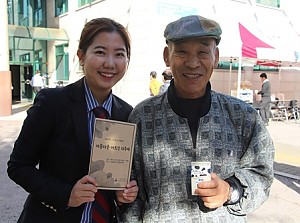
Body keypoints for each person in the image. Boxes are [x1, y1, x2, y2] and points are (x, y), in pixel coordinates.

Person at [122, 15, 274, 222]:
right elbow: (130, 196)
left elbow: (262, 174)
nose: (193, 63)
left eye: (203, 52)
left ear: (216, 56)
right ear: (167, 56)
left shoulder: (243, 117)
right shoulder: (142, 117)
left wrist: (230, 190)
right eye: (182, 52)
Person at [7, 18, 138, 223]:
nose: (110, 63)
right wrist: (66, 194)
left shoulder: (126, 113)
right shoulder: (53, 103)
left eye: (119, 54)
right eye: (100, 52)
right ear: (81, 56)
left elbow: (115, 176)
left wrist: (123, 195)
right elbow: (18, 166)